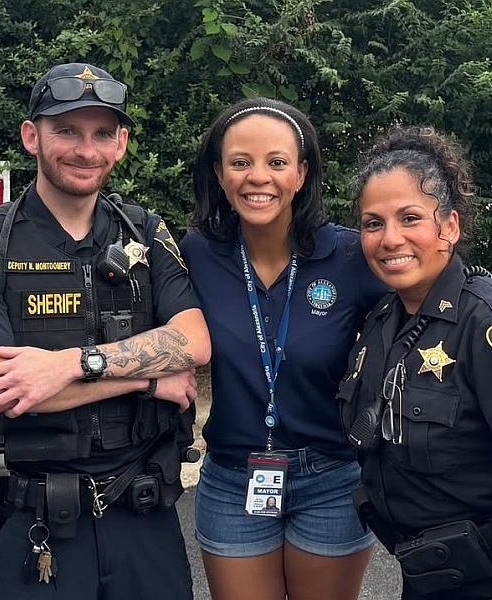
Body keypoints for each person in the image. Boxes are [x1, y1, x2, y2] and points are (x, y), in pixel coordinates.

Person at [0, 62, 210, 600]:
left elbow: (194, 341)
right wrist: (147, 379)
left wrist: (69, 365)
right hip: (35, 526)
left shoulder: (146, 231)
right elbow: (3, 390)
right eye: (66, 130)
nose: (86, 150)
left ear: (121, 144)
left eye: (102, 134)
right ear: (31, 137)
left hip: (144, 520)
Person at [339, 125, 492, 599]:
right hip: (431, 573)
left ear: (449, 227)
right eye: (373, 223)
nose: (390, 238)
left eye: (410, 218)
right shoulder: (383, 319)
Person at [180, 99, 385, 600]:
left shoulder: (350, 255)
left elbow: (425, 288)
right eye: (240, 162)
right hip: (233, 477)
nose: (258, 177)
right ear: (219, 174)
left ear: (301, 173)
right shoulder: (196, 254)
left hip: (331, 476)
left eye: (276, 162)